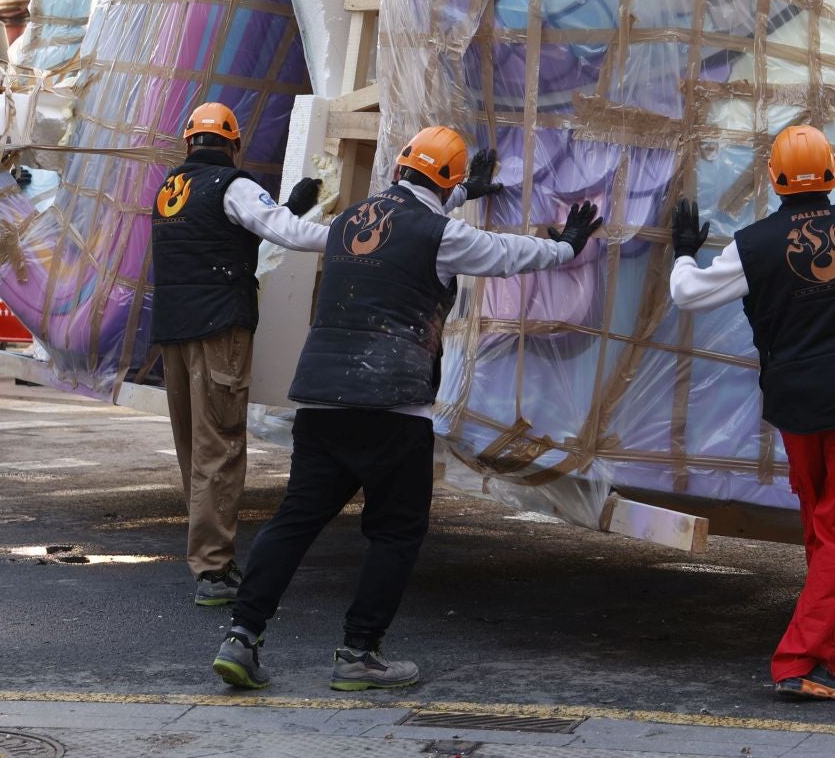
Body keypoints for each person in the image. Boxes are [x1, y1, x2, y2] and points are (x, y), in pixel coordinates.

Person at [211, 125, 603, 693]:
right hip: (393, 404)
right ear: (447, 184)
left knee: (296, 521)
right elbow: (504, 253)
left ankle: (242, 637)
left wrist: (465, 191)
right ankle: (359, 653)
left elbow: (404, 213)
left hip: (322, 397)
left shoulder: (348, 221)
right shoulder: (442, 234)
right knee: (395, 533)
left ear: (397, 169)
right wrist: (566, 246)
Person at [664, 124, 835, 703]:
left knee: (825, 529)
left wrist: (681, 254)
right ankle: (798, 660)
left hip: (798, 403)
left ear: (774, 180)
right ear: (832, 174)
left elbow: (688, 296)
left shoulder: (753, 245)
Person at [150, 100, 328, 607]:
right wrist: (351, 238)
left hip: (174, 329)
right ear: (233, 144)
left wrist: (286, 206)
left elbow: (221, 237)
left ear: (189, 143)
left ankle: (207, 557)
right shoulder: (235, 186)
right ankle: (213, 567)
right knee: (220, 445)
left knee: (194, 447)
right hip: (217, 329)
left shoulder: (171, 189)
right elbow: (281, 234)